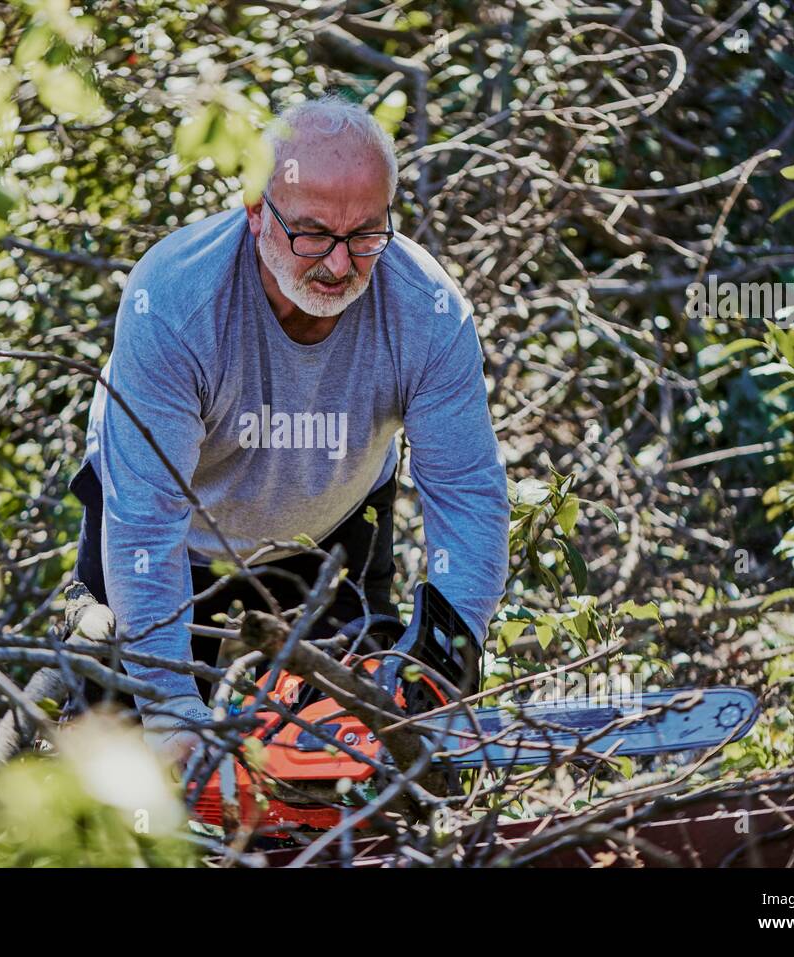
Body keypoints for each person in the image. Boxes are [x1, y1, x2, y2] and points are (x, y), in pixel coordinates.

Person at [70, 94, 510, 766]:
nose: (338, 265)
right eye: (312, 234)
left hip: (331, 529)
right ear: (255, 211)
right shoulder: (176, 300)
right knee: (131, 757)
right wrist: (168, 702)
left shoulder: (427, 310)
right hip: (166, 535)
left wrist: (448, 647)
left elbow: (467, 492)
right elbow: (145, 520)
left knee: (339, 756)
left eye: (365, 235)